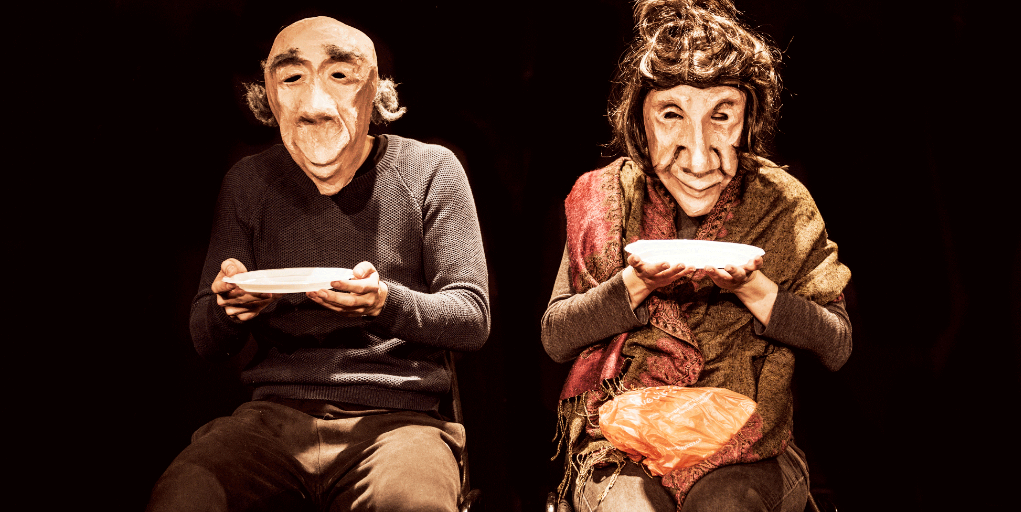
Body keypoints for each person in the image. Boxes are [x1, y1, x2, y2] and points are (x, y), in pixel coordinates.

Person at [147, 16, 490, 512]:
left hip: (398, 422)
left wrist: (384, 302)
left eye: (339, 75)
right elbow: (206, 336)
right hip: (271, 419)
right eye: (292, 78)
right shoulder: (250, 182)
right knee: (182, 496)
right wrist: (229, 308)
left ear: (375, 94)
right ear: (268, 96)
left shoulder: (430, 170)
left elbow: (472, 318)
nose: (314, 104)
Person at [541, 1, 851, 511]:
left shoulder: (782, 201)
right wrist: (637, 284)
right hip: (622, 445)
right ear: (640, 122)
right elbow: (556, 337)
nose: (699, 155)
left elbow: (836, 343)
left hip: (751, 450)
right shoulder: (604, 197)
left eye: (722, 116)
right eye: (672, 115)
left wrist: (754, 289)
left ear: (748, 118)